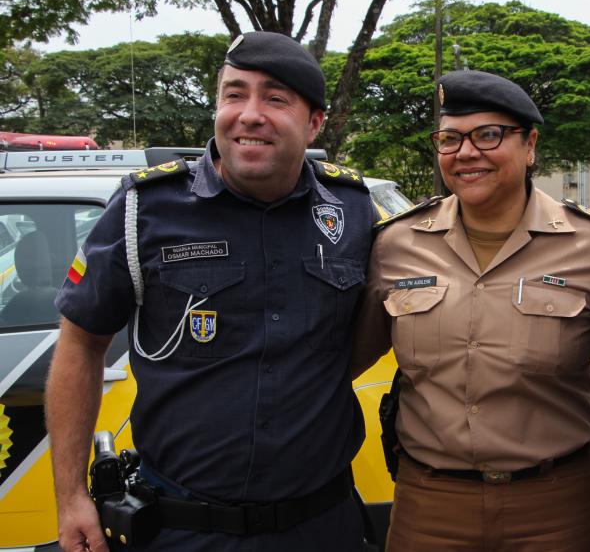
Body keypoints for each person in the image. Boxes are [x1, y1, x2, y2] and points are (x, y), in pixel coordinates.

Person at [46, 32, 375, 552]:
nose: (249, 114)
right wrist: (70, 497)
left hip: (322, 523)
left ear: (314, 123)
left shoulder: (354, 212)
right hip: (183, 529)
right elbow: (81, 343)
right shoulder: (144, 208)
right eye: (234, 94)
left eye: (275, 98)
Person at [350, 70, 590, 551]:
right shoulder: (395, 244)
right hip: (430, 506)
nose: (465, 152)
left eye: (488, 134)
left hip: (558, 508)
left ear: (530, 145)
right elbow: (344, 359)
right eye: (450, 138)